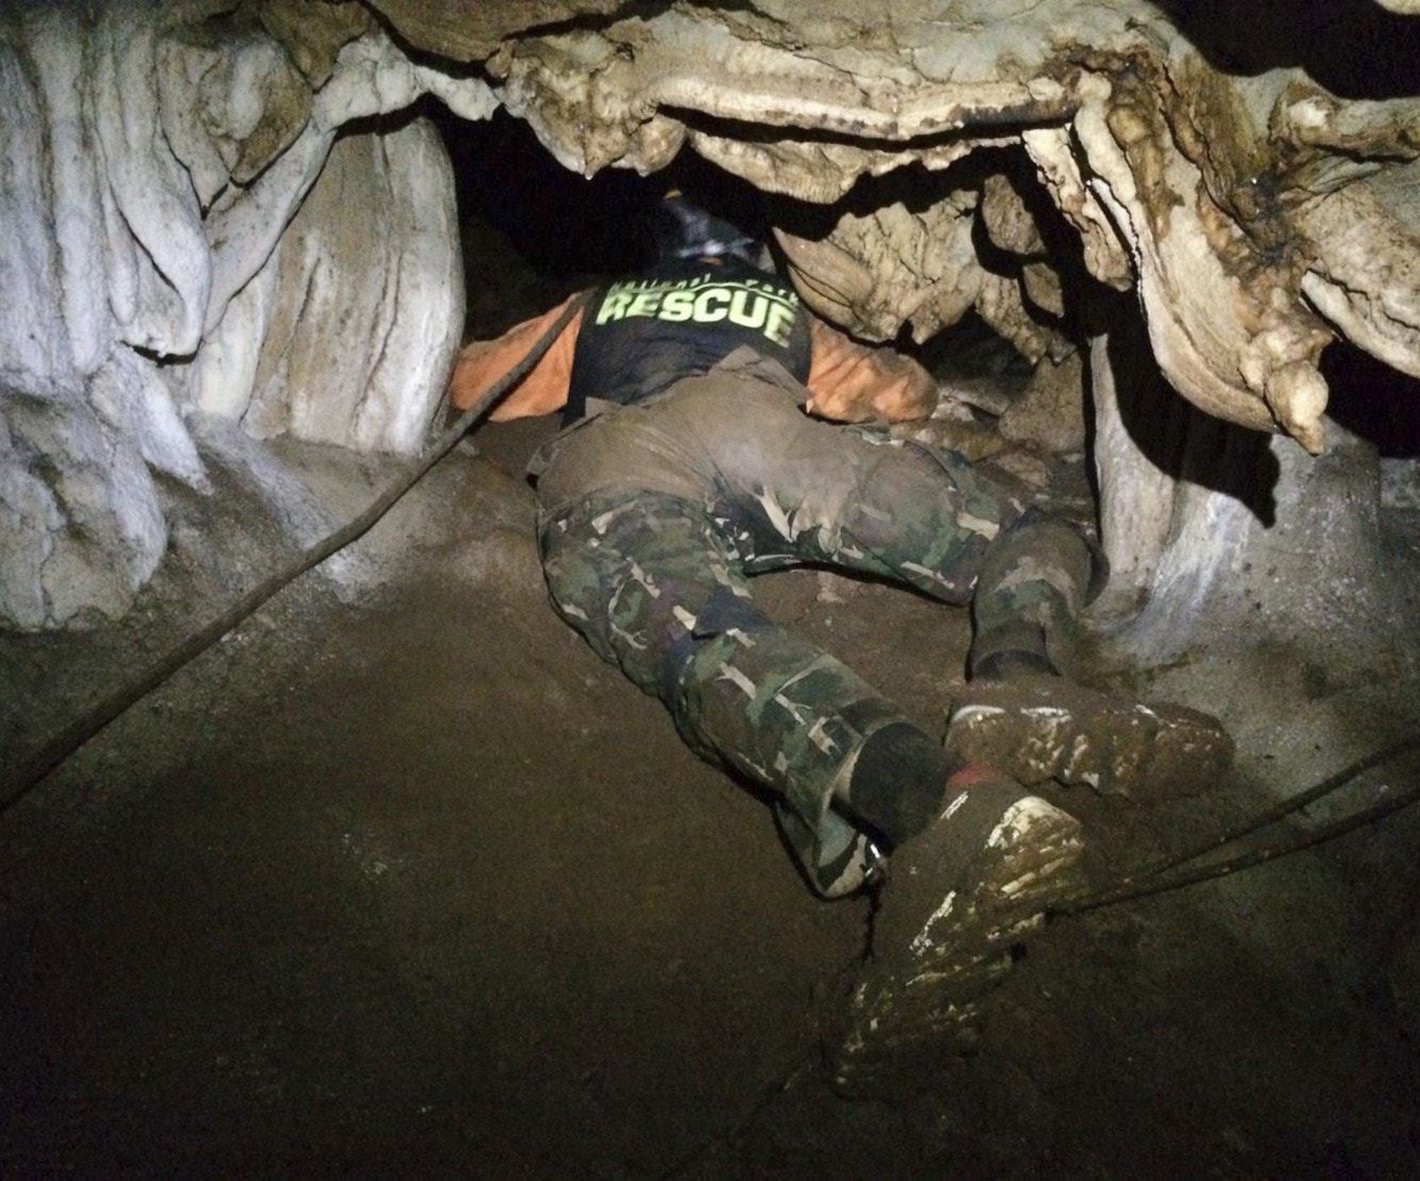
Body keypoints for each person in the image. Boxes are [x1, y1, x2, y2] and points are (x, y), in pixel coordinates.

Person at [447, 195, 1229, 958]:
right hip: (759, 430)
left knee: (714, 640)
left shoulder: (598, 303)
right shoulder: (780, 304)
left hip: (618, 460)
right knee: (1028, 530)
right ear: (749, 247)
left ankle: (938, 800)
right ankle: (1020, 670)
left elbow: (474, 383)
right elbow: (900, 395)